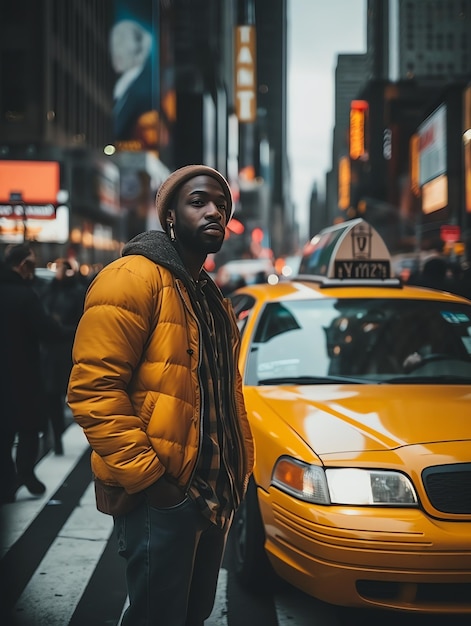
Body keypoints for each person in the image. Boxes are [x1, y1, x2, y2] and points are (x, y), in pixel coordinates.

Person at [67, 165, 255, 626]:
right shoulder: (132, 277)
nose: (215, 211)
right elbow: (93, 390)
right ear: (170, 216)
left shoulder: (209, 296)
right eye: (199, 202)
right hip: (163, 496)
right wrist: (156, 484)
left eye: (222, 206)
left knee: (192, 615)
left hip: (214, 495)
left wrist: (236, 473)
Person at [0, 244, 67, 503]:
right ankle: (25, 472)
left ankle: (6, 485)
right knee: (29, 427)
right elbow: (46, 330)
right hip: (23, 373)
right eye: (30, 264)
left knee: (4, 433)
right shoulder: (25, 296)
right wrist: (65, 330)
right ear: (22, 265)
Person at [41, 258, 86, 455]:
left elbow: (84, 321)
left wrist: (62, 329)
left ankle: (90, 435)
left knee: (75, 395)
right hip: (50, 351)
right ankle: (56, 435)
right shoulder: (47, 290)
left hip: (70, 349)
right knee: (51, 397)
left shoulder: (77, 292)